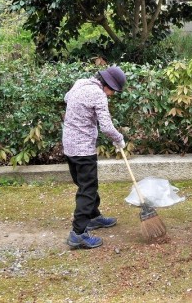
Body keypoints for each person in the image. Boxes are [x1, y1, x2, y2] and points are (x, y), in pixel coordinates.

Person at [62, 66, 127, 249]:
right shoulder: (98, 94)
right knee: (88, 189)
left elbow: (67, 98)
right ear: (108, 86)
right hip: (83, 149)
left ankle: (93, 217)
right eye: (113, 91)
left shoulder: (80, 83)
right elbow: (106, 127)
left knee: (84, 184)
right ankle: (78, 233)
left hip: (69, 146)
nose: (112, 95)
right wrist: (119, 139)